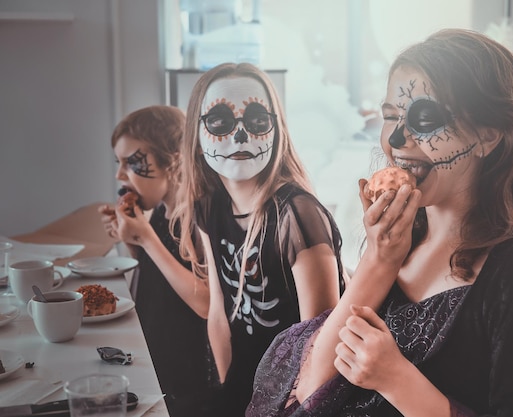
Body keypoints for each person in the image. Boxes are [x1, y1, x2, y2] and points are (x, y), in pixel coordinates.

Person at [246, 28, 513, 417]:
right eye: (391, 116)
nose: (397, 139)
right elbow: (305, 391)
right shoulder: (398, 240)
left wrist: (397, 380)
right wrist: (379, 260)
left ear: (489, 135)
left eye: (426, 117)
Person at [172, 62, 346, 416]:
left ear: (275, 127)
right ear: (198, 131)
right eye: (220, 121)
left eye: (255, 119)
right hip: (242, 390)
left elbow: (319, 342)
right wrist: (230, 392)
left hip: (296, 400)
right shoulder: (209, 207)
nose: (240, 137)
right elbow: (220, 316)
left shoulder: (296, 217)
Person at [97, 105, 212, 417]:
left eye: (130, 163)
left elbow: (206, 303)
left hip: (191, 383)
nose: (120, 175)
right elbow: (160, 275)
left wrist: (145, 236)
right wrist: (130, 237)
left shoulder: (201, 216)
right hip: (158, 362)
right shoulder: (162, 210)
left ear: (172, 161)